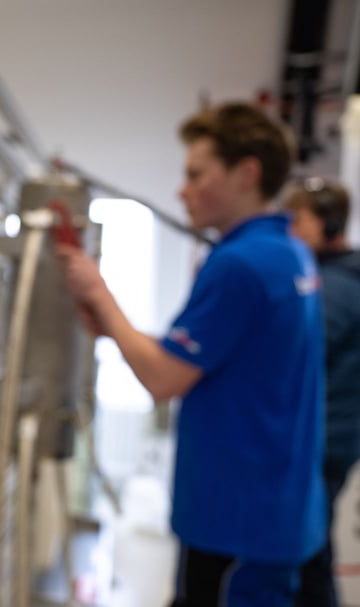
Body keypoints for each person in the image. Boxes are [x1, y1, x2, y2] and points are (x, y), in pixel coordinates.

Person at [56, 102, 325, 606]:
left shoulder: (238, 264)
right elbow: (222, 354)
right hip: (277, 509)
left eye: (196, 174)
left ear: (247, 174)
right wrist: (118, 331)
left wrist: (100, 295)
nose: (182, 189)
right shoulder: (288, 253)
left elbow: (163, 379)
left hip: (235, 523)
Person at [286, 178, 360, 607]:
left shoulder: (337, 287)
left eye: (298, 220)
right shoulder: (336, 278)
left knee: (308, 558)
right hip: (330, 439)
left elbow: (300, 351)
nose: (290, 232)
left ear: (330, 225)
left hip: (323, 443)